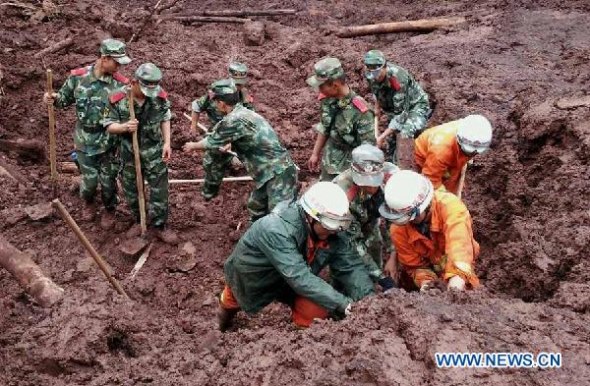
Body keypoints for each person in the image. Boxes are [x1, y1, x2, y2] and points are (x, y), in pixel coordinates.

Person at [217, 181, 375, 331]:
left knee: (317, 308)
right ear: (312, 217)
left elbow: (351, 266)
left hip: (293, 279)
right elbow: (299, 277)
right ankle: (221, 326)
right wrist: (344, 304)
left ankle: (299, 344)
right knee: (233, 300)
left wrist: (369, 301)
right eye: (329, 226)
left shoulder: (332, 231)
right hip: (255, 276)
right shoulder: (276, 230)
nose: (334, 231)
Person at [43, 38, 131, 225]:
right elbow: (62, 101)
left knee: (108, 182)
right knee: (89, 182)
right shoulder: (78, 77)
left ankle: (109, 209)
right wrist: (51, 98)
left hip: (109, 141)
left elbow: (126, 113)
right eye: (116, 62)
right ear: (104, 58)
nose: (119, 67)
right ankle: (88, 202)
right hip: (84, 140)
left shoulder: (121, 85)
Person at [183, 79, 297, 222]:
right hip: (269, 173)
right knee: (256, 207)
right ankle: (257, 236)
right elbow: (243, 136)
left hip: (278, 173)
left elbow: (212, 141)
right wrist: (230, 143)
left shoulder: (232, 120)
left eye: (215, 102)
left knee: (281, 219)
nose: (214, 105)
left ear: (222, 104)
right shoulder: (244, 112)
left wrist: (192, 145)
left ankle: (278, 240)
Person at [104, 63, 177, 244]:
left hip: (154, 153)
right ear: (134, 82)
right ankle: (140, 220)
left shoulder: (158, 97)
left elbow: (165, 117)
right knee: (132, 191)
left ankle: (160, 225)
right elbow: (107, 125)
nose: (147, 94)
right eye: (144, 89)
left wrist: (167, 142)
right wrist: (123, 127)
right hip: (129, 154)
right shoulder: (118, 98)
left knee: (159, 190)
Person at [380, 170, 480, 291]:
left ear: (423, 207)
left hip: (459, 268)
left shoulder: (451, 208)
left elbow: (460, 249)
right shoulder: (398, 229)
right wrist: (427, 285)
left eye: (409, 218)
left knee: (467, 291)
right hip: (434, 269)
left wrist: (456, 286)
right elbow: (415, 266)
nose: (406, 222)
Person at [333, 144, 398, 290]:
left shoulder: (391, 179)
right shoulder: (343, 195)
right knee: (347, 267)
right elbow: (352, 242)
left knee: (375, 247)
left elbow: (392, 219)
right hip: (342, 231)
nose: (371, 188)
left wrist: (393, 253)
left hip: (369, 221)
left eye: (374, 182)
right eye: (366, 184)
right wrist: (383, 279)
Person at [190, 62, 255, 200]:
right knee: (211, 162)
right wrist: (193, 126)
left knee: (243, 157)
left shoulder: (245, 97)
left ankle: (233, 160)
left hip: (236, 135)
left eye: (241, 84)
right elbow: (197, 106)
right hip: (216, 133)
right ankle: (209, 191)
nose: (239, 87)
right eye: (236, 84)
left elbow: (249, 123)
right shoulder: (216, 92)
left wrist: (233, 142)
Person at [306, 57, 375, 181]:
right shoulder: (327, 99)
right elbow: (325, 126)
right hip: (329, 161)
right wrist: (315, 154)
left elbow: (367, 150)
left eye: (321, 86)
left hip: (348, 170)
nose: (319, 90)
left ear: (335, 85)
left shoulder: (361, 112)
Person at [363, 49, 431, 162]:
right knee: (391, 143)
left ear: (384, 67)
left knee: (405, 131)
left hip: (415, 106)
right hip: (393, 106)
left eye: (377, 74)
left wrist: (381, 137)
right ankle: (390, 162)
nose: (374, 77)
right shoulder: (370, 74)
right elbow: (376, 92)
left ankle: (406, 164)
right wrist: (376, 109)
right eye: (371, 73)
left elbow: (401, 115)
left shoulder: (398, 79)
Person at [414, 114, 493, 195]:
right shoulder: (440, 151)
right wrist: (447, 197)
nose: (472, 154)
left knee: (451, 181)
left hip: (444, 155)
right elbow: (431, 180)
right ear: (459, 142)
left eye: (475, 152)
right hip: (424, 157)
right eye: (469, 152)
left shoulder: (469, 128)